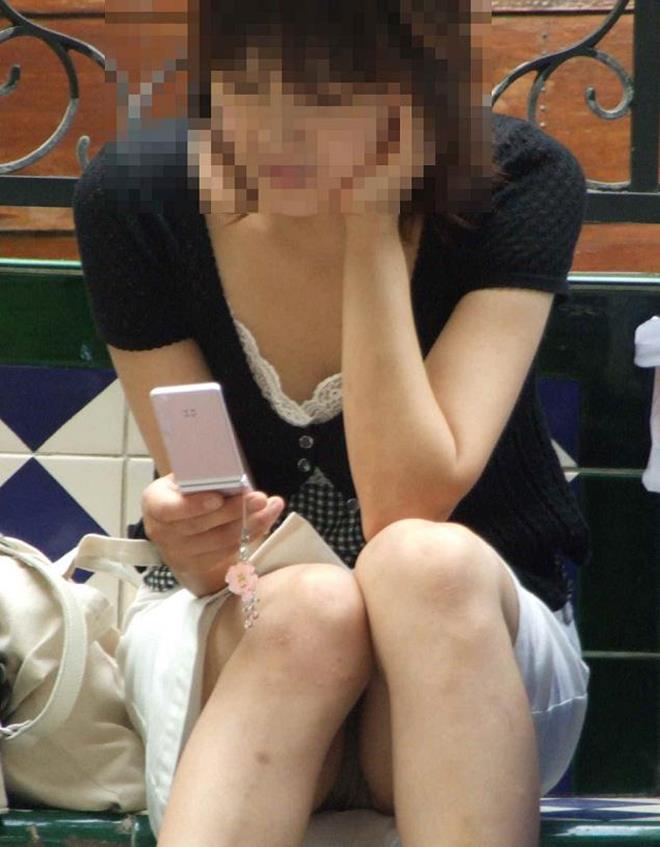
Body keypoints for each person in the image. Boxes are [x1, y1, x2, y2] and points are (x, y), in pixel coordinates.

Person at [72, 2, 592, 845]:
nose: (275, 133)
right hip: (249, 639)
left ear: (416, 93)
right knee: (308, 608)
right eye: (244, 87)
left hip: (472, 650)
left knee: (423, 562)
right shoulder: (138, 201)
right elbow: (233, 537)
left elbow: (406, 503)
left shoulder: (518, 183)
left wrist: (371, 230)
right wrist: (192, 536)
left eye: (325, 96)